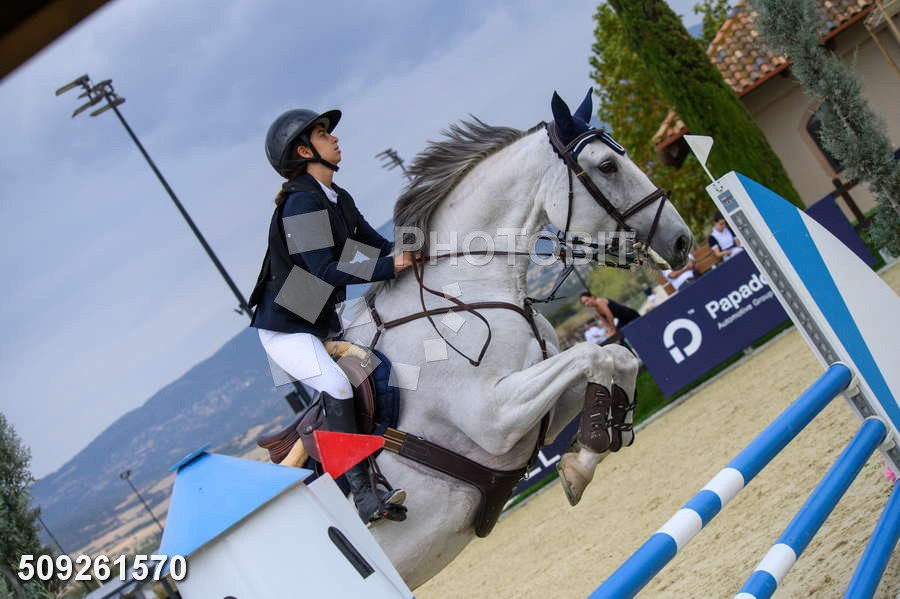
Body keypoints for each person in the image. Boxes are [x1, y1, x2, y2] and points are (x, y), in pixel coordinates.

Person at [247, 107, 416, 524]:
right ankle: (363, 495)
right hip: (286, 330)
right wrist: (391, 266)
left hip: (322, 323)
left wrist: (420, 244)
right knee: (338, 385)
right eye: (323, 134)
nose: (335, 138)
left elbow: (378, 247)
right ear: (304, 151)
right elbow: (323, 270)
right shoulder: (300, 204)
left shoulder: (337, 198)